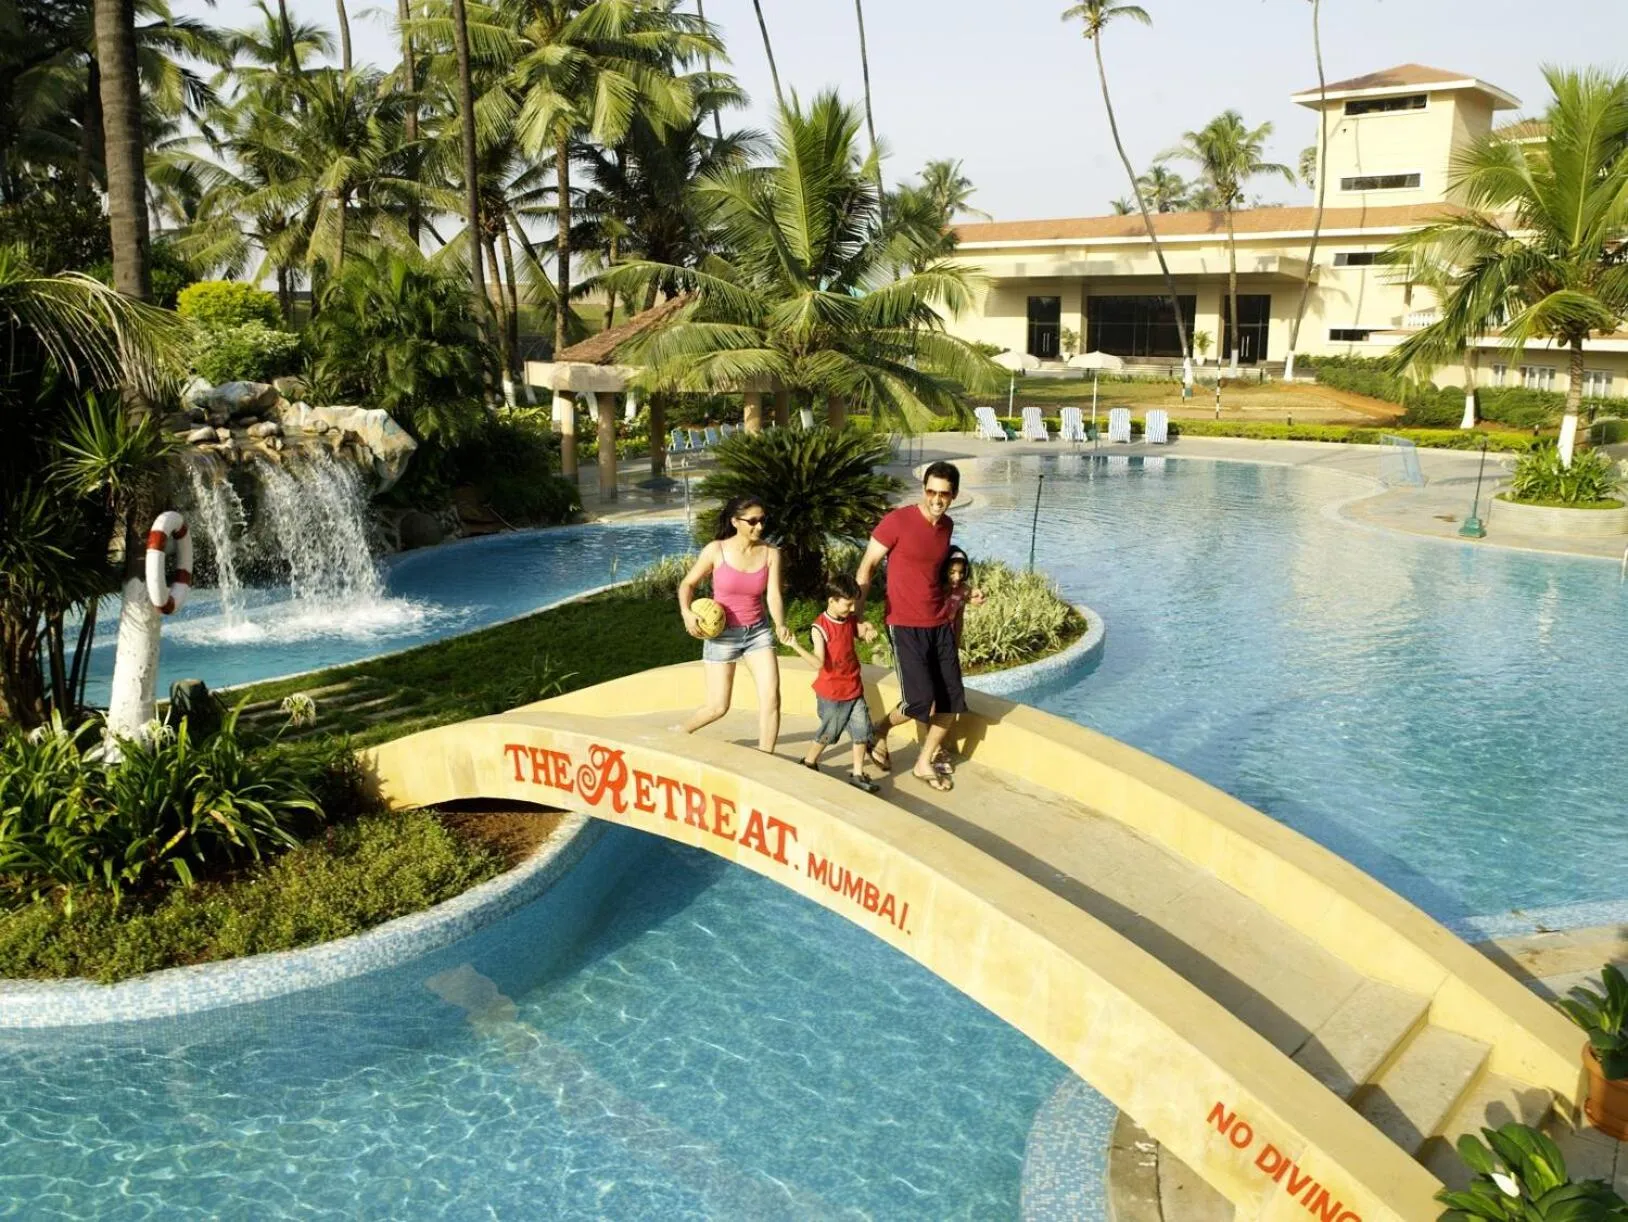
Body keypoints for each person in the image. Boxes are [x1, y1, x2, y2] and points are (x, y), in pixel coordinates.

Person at [855, 461, 979, 793]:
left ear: (954, 495)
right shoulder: (897, 521)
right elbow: (867, 566)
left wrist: (965, 593)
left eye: (944, 494)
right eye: (931, 492)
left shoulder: (947, 526)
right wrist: (858, 615)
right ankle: (879, 730)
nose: (937, 500)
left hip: (939, 622)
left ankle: (923, 762)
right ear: (923, 490)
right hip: (904, 623)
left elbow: (939, 573)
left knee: (951, 701)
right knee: (919, 701)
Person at [677, 496, 793, 752]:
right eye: (752, 521)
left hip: (758, 633)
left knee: (771, 699)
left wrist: (780, 623)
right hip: (722, 635)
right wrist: (686, 612)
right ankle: (677, 734)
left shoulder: (771, 553)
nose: (759, 526)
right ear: (735, 522)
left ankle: (766, 756)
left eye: (763, 520)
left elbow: (773, 595)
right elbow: (687, 584)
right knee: (718, 707)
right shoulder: (716, 550)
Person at [783, 574, 881, 793]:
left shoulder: (849, 619)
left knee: (862, 730)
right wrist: (795, 645)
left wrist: (869, 628)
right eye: (848, 604)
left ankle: (857, 774)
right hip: (832, 693)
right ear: (832, 601)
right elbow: (818, 663)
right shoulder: (820, 628)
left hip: (853, 687)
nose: (852, 609)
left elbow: (861, 629)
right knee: (830, 731)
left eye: (854, 603)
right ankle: (809, 762)